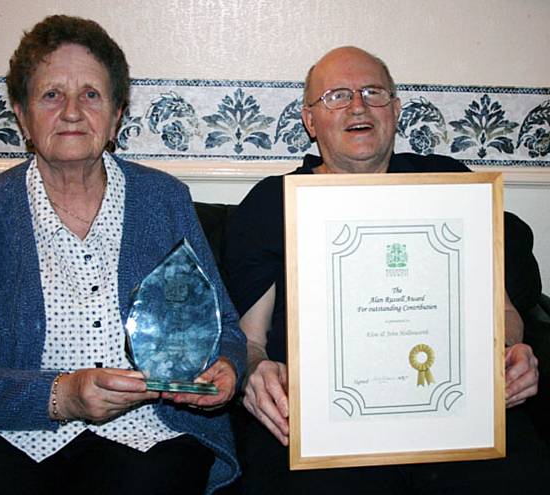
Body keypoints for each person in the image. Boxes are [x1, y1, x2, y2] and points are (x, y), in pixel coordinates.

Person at [0, 15, 245, 495]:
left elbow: (224, 331)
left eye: (91, 94)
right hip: (8, 430)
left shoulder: (164, 201)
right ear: (22, 116)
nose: (71, 111)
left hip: (150, 428)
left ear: (115, 116)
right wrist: (59, 396)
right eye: (51, 95)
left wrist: (226, 370)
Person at [222, 46, 549, 494]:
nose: (358, 105)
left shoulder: (450, 185)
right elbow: (251, 340)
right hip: (321, 422)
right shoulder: (271, 204)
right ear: (310, 120)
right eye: (336, 96)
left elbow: (504, 311)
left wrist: (514, 352)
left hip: (452, 414)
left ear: (395, 110)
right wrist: (256, 373)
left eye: (373, 92)